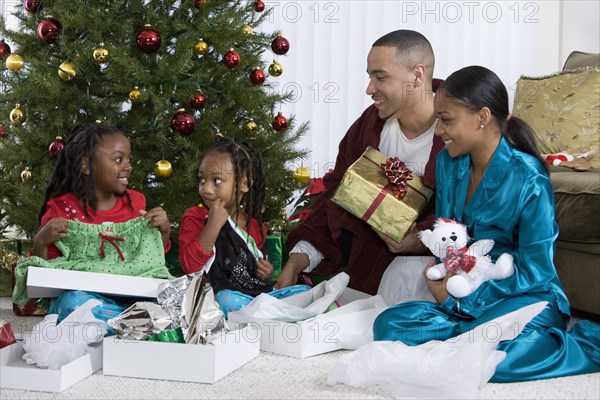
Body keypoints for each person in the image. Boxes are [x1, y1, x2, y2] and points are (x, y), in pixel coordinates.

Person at [373, 66, 600, 381]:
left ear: (481, 117)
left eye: (446, 119)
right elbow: (449, 237)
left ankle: (585, 343)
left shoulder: (529, 179)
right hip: (464, 294)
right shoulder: (448, 163)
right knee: (389, 325)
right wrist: (446, 284)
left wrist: (465, 300)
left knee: (499, 360)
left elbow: (537, 271)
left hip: (525, 297)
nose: (439, 131)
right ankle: (469, 335)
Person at [277, 30, 444, 295]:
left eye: (381, 77)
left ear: (417, 74)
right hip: (366, 281)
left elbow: (476, 215)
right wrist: (297, 261)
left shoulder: (460, 130)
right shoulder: (369, 127)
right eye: (370, 77)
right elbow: (335, 196)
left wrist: (421, 240)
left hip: (439, 286)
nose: (369, 89)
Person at [15, 122, 172, 321]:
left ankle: (119, 323)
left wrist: (164, 231)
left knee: (170, 301)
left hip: (130, 294)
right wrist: (40, 242)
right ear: (86, 165)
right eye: (118, 159)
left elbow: (151, 257)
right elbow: (46, 277)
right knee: (73, 304)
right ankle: (127, 324)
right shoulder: (61, 210)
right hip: (83, 297)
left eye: (128, 159)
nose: (128, 166)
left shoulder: (136, 203)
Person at [178, 135, 310, 317]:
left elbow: (246, 271)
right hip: (223, 296)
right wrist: (212, 226)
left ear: (244, 184)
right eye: (202, 180)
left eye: (216, 181)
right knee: (225, 300)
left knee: (303, 291)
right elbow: (190, 266)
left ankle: (265, 314)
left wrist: (266, 274)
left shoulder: (253, 227)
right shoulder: (196, 217)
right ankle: (272, 316)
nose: (206, 189)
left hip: (254, 296)